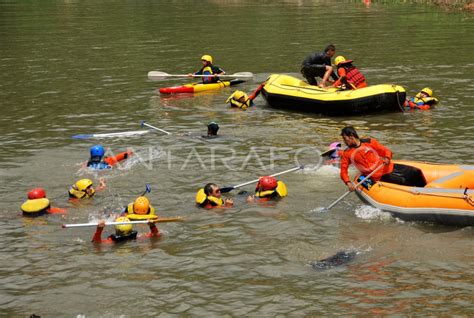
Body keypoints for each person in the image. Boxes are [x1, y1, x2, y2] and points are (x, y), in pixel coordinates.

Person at [339, 126, 426, 191]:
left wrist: (387, 157)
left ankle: (427, 191)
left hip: (389, 167)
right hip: (378, 176)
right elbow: (343, 171)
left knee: (416, 172)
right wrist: (348, 182)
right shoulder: (347, 153)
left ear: (351, 136)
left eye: (345, 139)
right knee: (404, 181)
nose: (344, 141)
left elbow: (385, 151)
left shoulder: (369, 142)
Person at [91, 216, 160, 244]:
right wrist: (152, 226)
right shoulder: (137, 237)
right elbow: (156, 235)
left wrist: (99, 229)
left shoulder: (111, 241)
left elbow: (96, 242)